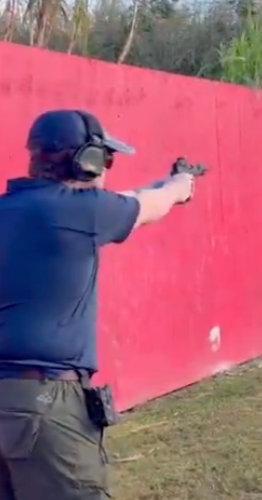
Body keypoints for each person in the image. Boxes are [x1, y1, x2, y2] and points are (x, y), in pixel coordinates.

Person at [0, 109, 198, 499]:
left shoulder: (20, 209)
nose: (108, 168)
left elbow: (118, 201)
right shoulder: (81, 211)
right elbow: (150, 205)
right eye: (105, 158)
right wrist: (178, 186)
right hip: (43, 401)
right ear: (86, 161)